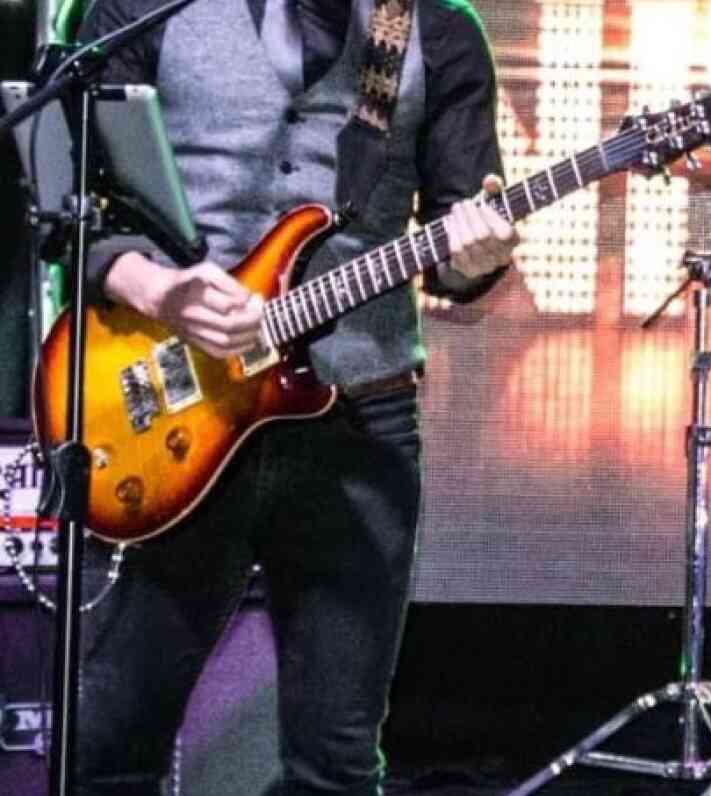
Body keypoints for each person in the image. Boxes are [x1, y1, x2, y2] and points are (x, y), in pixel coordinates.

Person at [69, 0, 517, 790]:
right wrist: (159, 288)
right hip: (175, 410)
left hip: (359, 417)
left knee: (336, 762)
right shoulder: (140, 7)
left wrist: (479, 254)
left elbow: (456, 250)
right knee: (111, 737)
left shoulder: (433, 29)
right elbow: (71, 202)